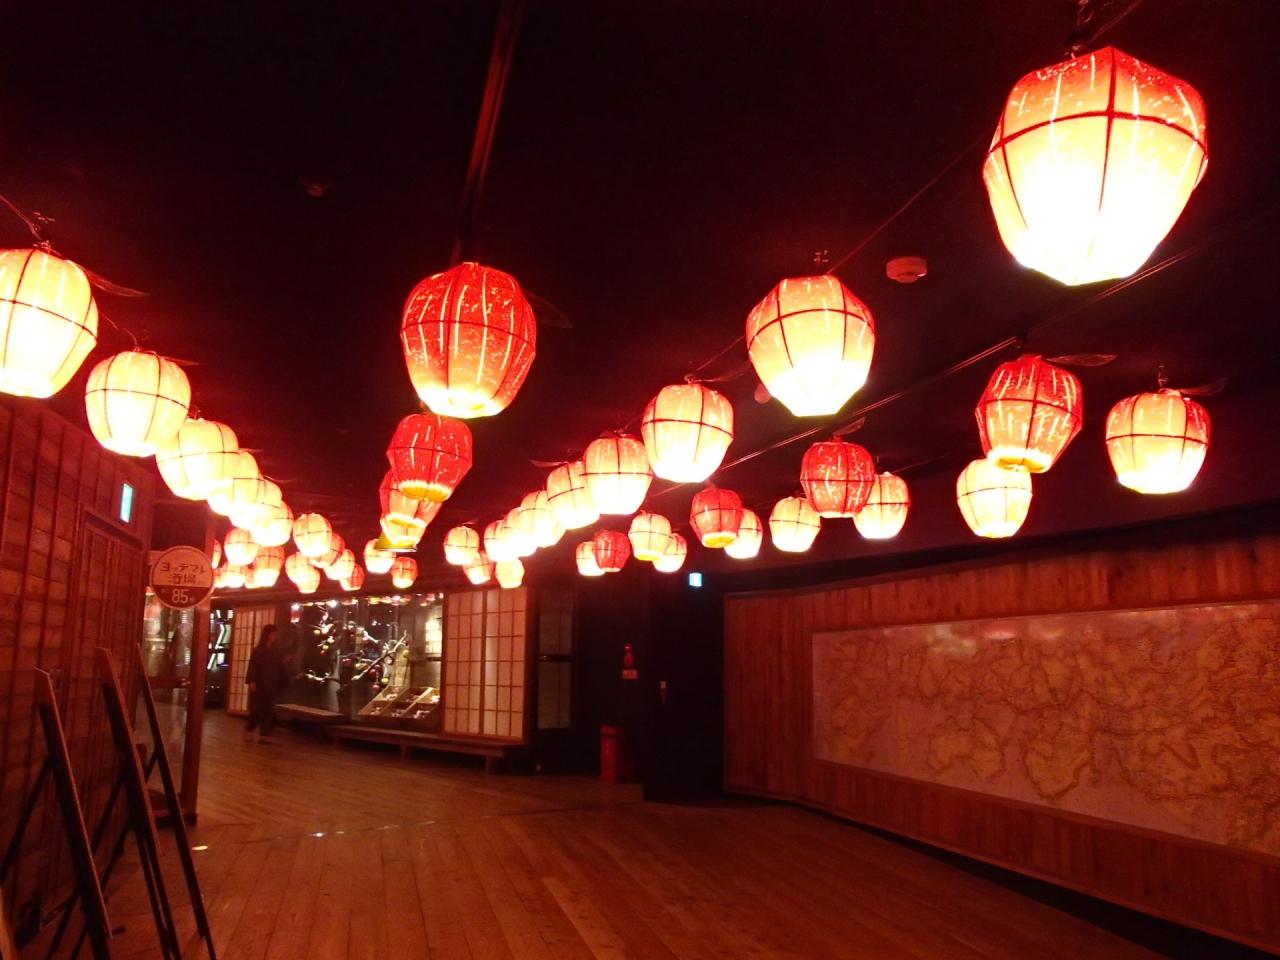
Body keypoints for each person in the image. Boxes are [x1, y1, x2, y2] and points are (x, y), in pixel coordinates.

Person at [243, 624, 288, 743]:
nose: (274, 636)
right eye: (272, 634)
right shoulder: (259, 650)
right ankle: (249, 729)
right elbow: (253, 666)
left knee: (269, 711)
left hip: (272, 683)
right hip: (260, 683)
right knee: (256, 709)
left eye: (275, 634)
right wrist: (252, 680)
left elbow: (280, 667)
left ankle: (264, 734)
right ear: (267, 635)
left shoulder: (276, 651)